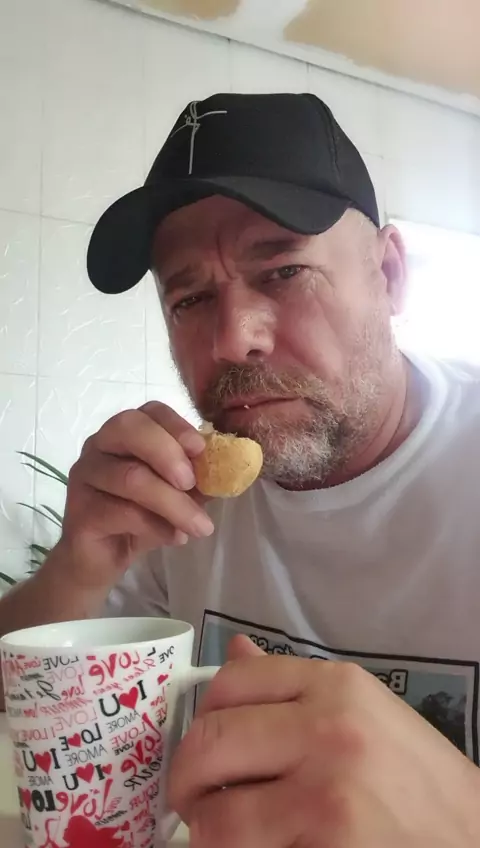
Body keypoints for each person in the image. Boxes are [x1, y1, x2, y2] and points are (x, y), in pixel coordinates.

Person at [1, 92, 480, 845]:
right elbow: (27, 712)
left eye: (283, 271)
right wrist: (78, 567)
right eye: (190, 298)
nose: (232, 339)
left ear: (388, 274)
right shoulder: (173, 502)